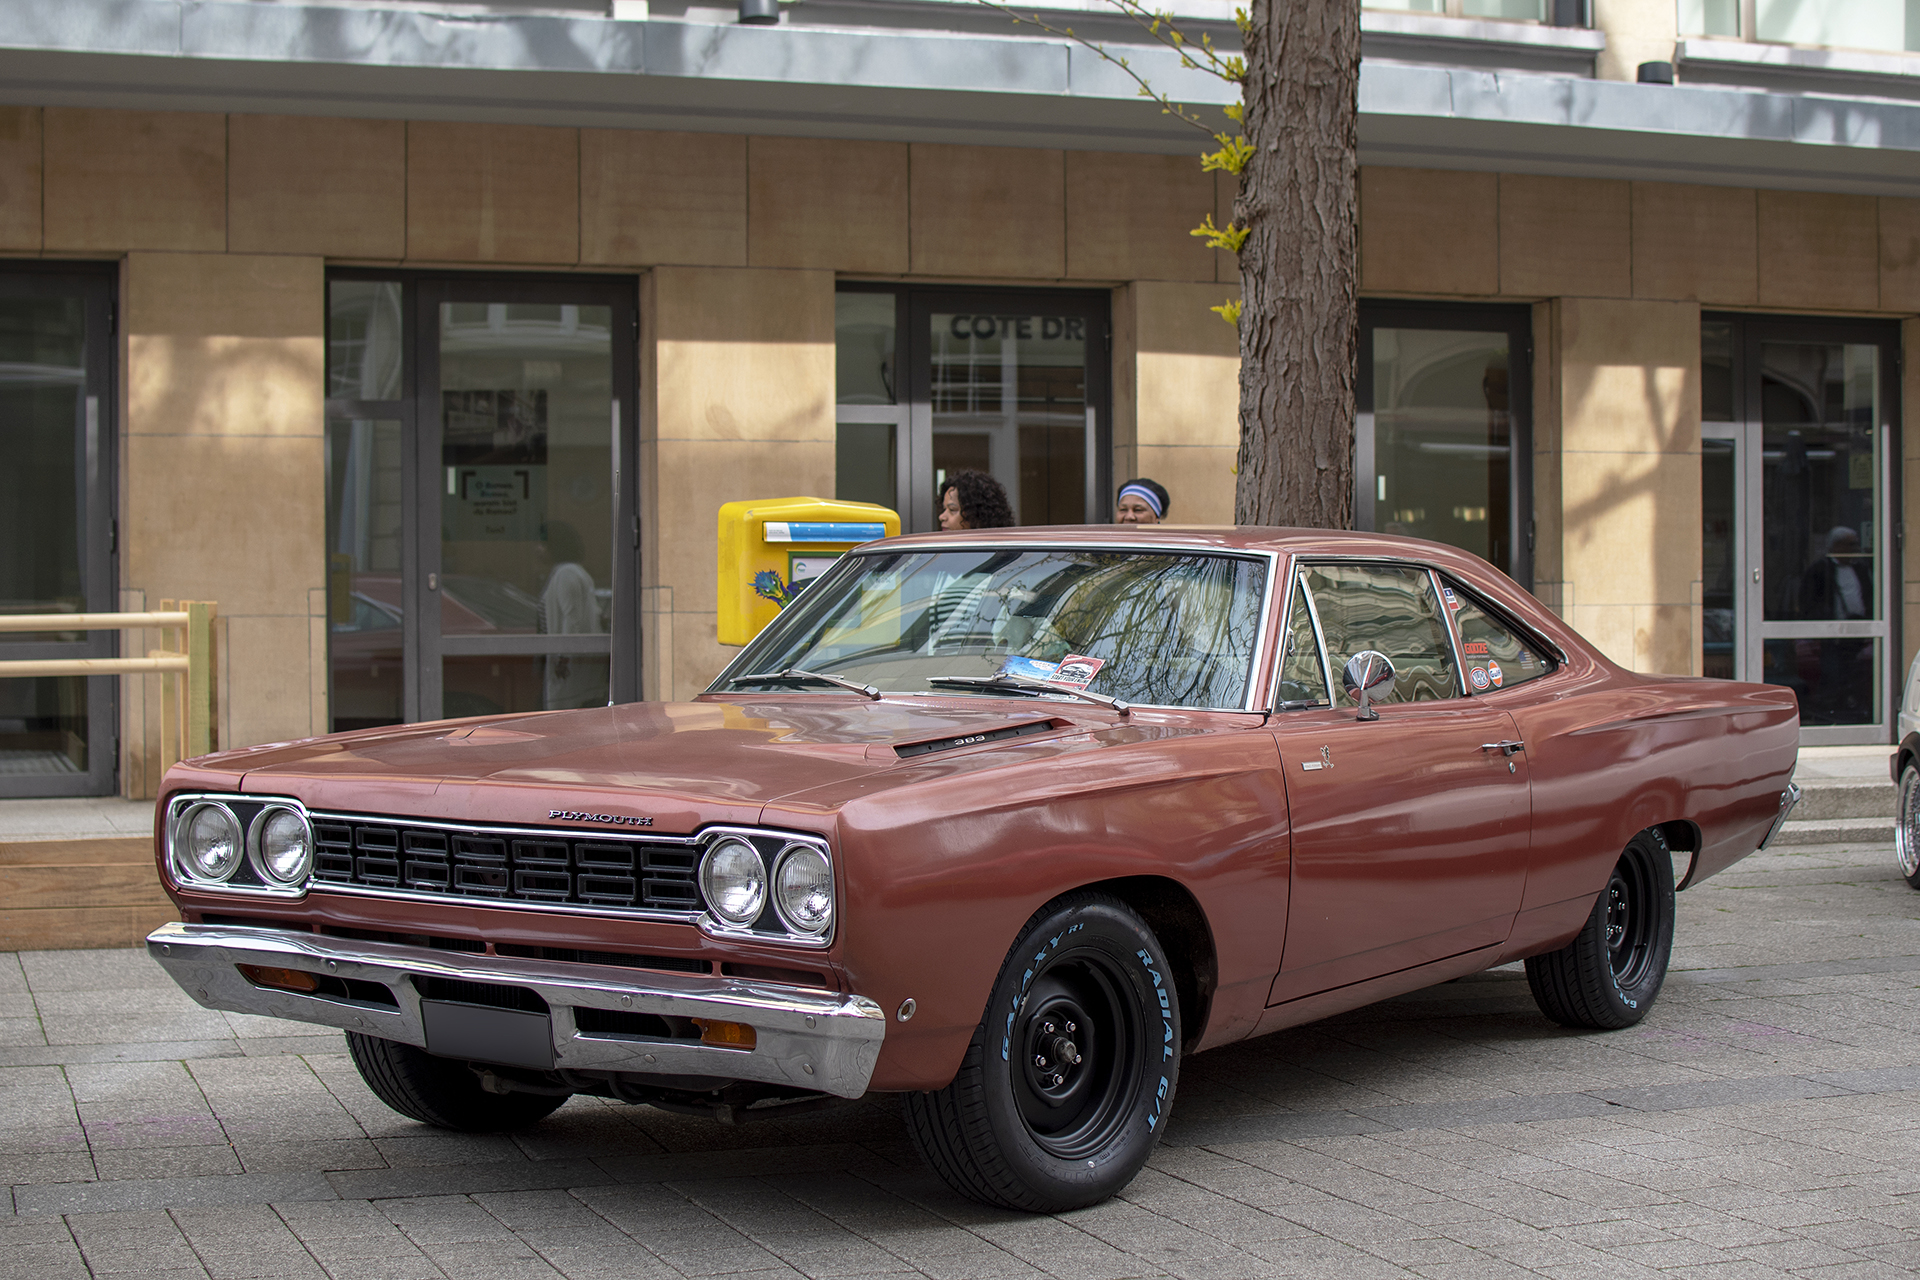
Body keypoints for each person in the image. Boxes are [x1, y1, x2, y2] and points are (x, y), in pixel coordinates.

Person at [937, 469, 1014, 530]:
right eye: (944, 509)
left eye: (952, 509)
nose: (941, 517)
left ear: (977, 516)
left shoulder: (1003, 544)